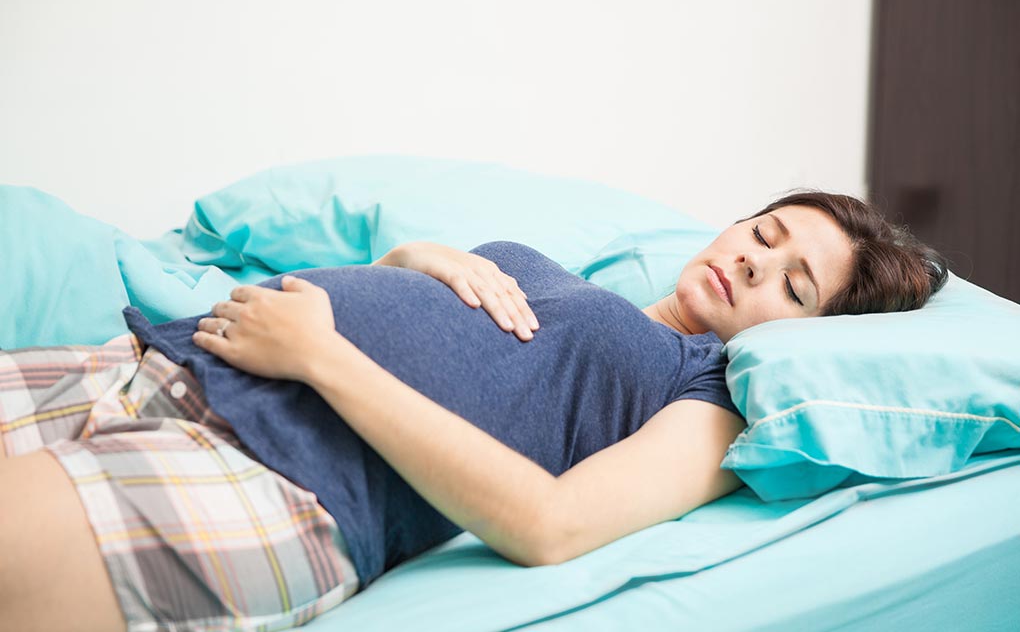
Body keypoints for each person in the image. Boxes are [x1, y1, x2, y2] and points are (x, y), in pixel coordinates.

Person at [0, 190, 947, 632]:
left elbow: (550, 524)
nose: (752, 261)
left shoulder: (709, 393)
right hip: (158, 360)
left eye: (795, 284)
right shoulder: (572, 278)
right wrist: (410, 261)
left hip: (275, 479)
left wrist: (321, 357)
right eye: (764, 233)